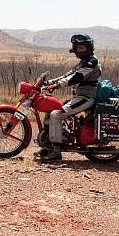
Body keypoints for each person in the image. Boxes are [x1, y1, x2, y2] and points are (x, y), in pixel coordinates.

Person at [40, 34, 102, 163]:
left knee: (56, 115)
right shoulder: (83, 62)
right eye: (78, 48)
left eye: (82, 48)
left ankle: (56, 153)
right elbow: (68, 74)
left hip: (87, 97)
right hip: (80, 96)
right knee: (51, 110)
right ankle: (48, 146)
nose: (80, 51)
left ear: (89, 47)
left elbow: (76, 78)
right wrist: (48, 83)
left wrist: (57, 86)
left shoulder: (92, 62)